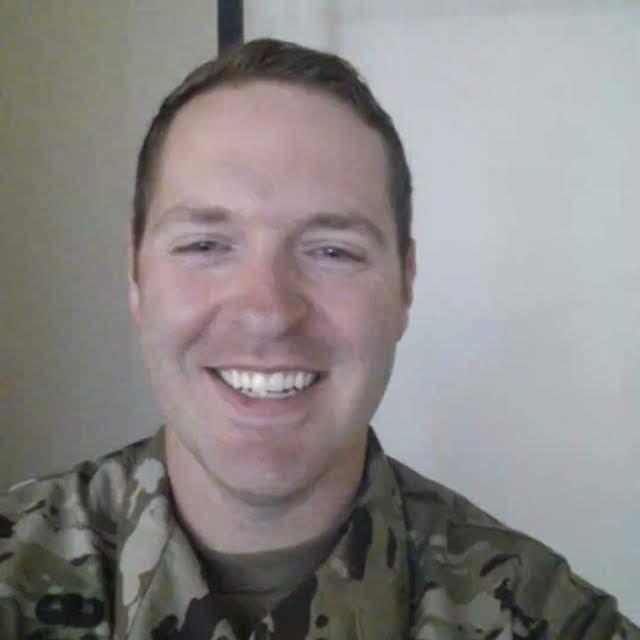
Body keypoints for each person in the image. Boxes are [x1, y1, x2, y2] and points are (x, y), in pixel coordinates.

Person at [0, 38, 637, 640]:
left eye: (332, 250)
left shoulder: (553, 621)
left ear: (405, 284)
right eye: (205, 245)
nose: (267, 312)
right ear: (136, 277)